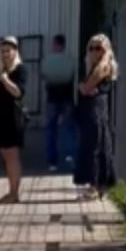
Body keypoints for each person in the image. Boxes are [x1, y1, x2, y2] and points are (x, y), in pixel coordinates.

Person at [73, 33, 118, 201]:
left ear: (105, 50)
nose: (94, 52)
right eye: (91, 48)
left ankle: (95, 185)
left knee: (95, 148)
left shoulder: (103, 67)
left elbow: (86, 88)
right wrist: (84, 87)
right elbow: (84, 88)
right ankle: (98, 185)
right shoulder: (93, 67)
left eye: (98, 48)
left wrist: (84, 87)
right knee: (96, 147)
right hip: (91, 110)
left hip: (96, 111)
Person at [0, 36, 28, 204]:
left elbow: (18, 92)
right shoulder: (1, 71)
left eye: (8, 51)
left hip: (13, 118)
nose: (6, 54)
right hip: (0, 117)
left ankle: (14, 194)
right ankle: (10, 191)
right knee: (5, 155)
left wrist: (5, 80)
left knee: (12, 155)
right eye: (3, 51)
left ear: (15, 51)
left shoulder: (20, 70)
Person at [41, 34, 77, 172]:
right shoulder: (70, 61)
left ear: (55, 44)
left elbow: (44, 76)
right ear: (64, 45)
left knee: (51, 130)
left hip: (52, 99)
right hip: (67, 99)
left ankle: (52, 162)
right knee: (68, 129)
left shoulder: (47, 61)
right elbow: (72, 76)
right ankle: (70, 159)